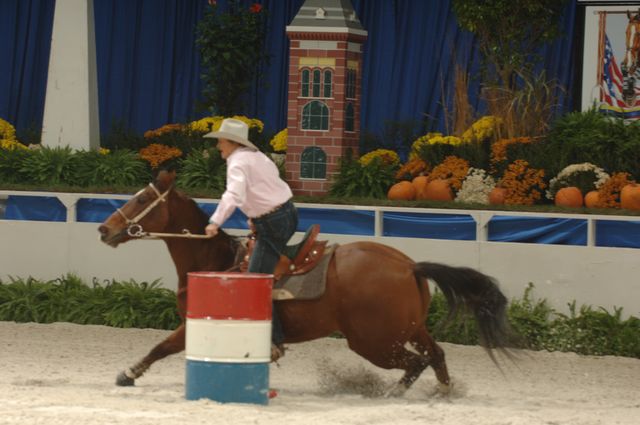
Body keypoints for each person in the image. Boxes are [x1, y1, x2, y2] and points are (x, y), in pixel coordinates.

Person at [204, 118, 298, 362]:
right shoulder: (257, 157)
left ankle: (274, 341)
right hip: (283, 214)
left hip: (274, 222)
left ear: (233, 142)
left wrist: (215, 222)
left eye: (221, 142)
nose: (218, 147)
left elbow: (233, 194)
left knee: (253, 282)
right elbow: (264, 186)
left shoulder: (237, 162)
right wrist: (254, 215)